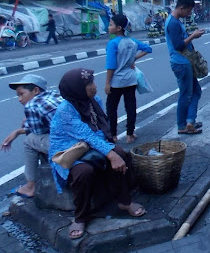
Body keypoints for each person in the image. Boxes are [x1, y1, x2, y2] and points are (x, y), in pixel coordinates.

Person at [49, 68, 145, 240]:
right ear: (77, 89)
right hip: (70, 151)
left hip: (91, 145)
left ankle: (124, 201)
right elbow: (85, 134)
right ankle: (80, 216)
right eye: (90, 84)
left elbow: (100, 131)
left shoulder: (95, 101)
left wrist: (112, 152)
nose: (95, 86)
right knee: (84, 172)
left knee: (121, 153)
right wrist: (110, 153)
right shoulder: (65, 110)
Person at [2, 74, 62, 198]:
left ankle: (30, 186)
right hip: (80, 139)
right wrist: (21, 129)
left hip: (66, 145)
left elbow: (37, 132)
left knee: (29, 141)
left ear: (35, 90)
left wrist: (19, 131)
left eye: (21, 94)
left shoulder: (32, 105)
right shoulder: (53, 95)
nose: (19, 99)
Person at [105, 14, 152, 143]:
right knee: (130, 106)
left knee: (112, 108)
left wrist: (107, 83)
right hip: (131, 80)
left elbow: (111, 66)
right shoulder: (132, 41)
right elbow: (148, 49)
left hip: (116, 82)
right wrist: (134, 58)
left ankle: (113, 135)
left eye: (111, 25)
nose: (108, 27)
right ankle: (130, 134)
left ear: (119, 28)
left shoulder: (113, 44)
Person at [165, 0, 206, 135]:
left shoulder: (176, 21)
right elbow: (178, 45)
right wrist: (193, 36)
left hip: (185, 62)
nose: (189, 14)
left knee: (195, 91)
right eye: (188, 11)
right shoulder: (173, 23)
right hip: (181, 63)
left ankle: (190, 121)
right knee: (185, 95)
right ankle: (183, 125)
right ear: (181, 8)